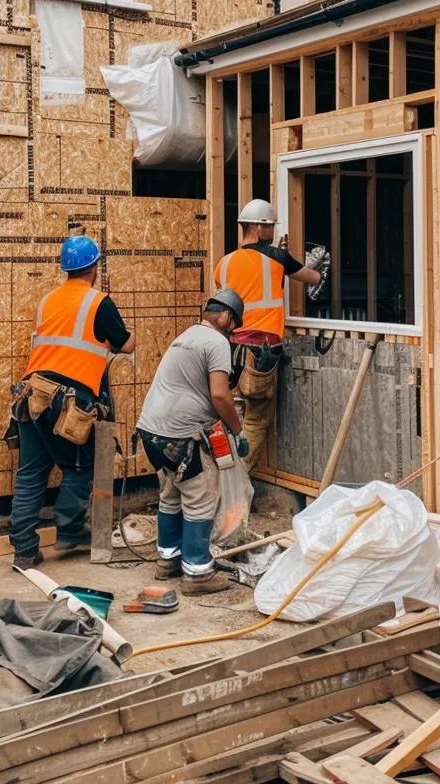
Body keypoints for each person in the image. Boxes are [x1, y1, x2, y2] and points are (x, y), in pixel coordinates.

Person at [9, 234, 134, 570]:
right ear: (94, 267)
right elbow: (126, 344)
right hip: (69, 400)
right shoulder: (99, 302)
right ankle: (71, 530)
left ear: (66, 269)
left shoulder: (48, 300)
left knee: (31, 473)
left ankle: (24, 550)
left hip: (33, 393)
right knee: (79, 466)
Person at [136, 288, 248, 595]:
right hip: (180, 435)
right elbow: (220, 394)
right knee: (200, 498)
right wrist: (237, 430)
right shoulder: (217, 342)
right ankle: (197, 573)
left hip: (151, 431)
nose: (233, 330)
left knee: (172, 493)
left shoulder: (188, 335)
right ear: (225, 316)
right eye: (234, 324)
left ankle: (167, 561)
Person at [214, 199, 322, 471]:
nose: (272, 231)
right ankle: (238, 484)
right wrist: (318, 266)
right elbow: (312, 278)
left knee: (231, 417)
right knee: (255, 420)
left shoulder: (223, 264)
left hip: (231, 352)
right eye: (270, 226)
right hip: (261, 353)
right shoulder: (277, 258)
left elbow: (246, 288)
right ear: (259, 227)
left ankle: (221, 477)